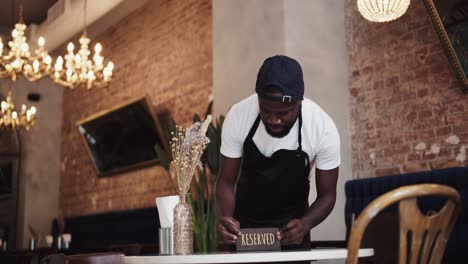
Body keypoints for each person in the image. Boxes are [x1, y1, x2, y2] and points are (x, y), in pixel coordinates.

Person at [215, 55, 340, 252]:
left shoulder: (322, 128)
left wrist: (305, 224)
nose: (274, 120)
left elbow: (327, 196)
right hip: (246, 233)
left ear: (299, 101)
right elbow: (225, 180)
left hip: (293, 234)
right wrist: (226, 219)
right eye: (265, 111)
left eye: (283, 113)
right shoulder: (239, 116)